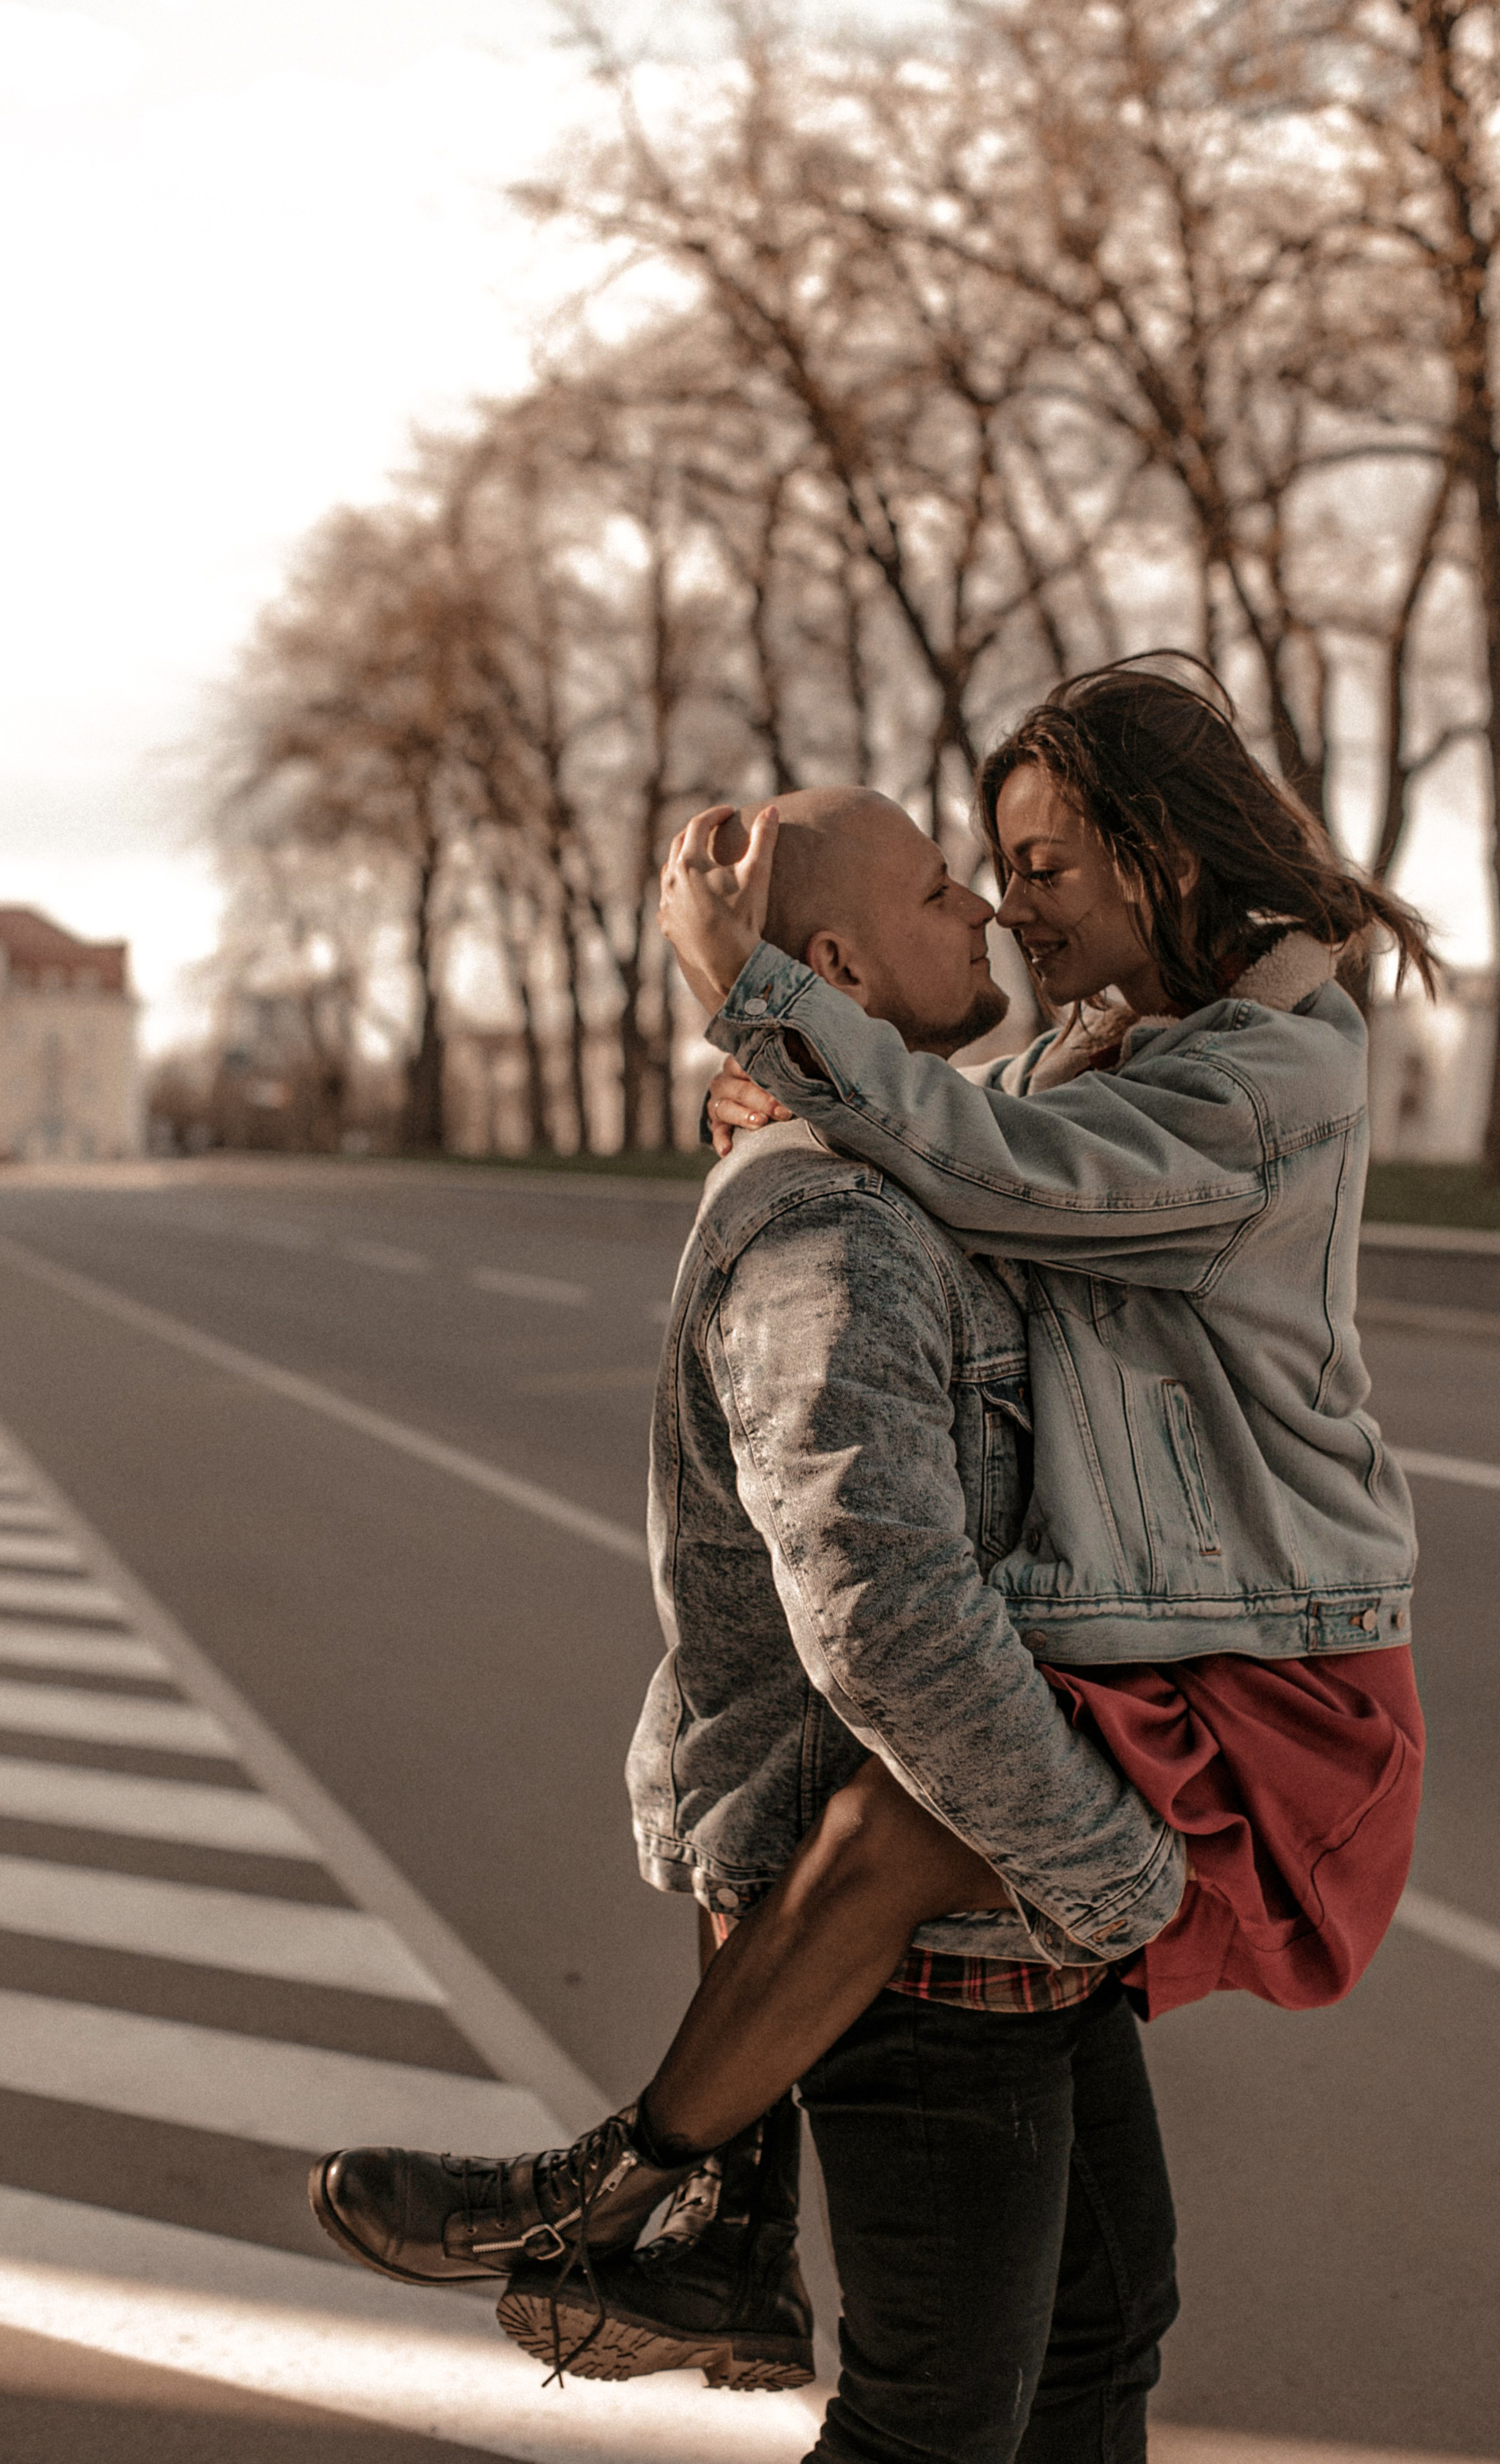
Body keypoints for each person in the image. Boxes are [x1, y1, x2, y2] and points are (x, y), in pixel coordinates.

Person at [311, 777, 1190, 2463]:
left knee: (1099, 2334)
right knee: (939, 2429)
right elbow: (890, 1622)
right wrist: (1106, 1868)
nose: (988, 913)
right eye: (946, 895)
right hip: (936, 1946)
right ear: (848, 969)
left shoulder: (893, 1157)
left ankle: (686, 2217)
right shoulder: (830, 1234)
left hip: (999, 1913)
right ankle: (653, 2193)